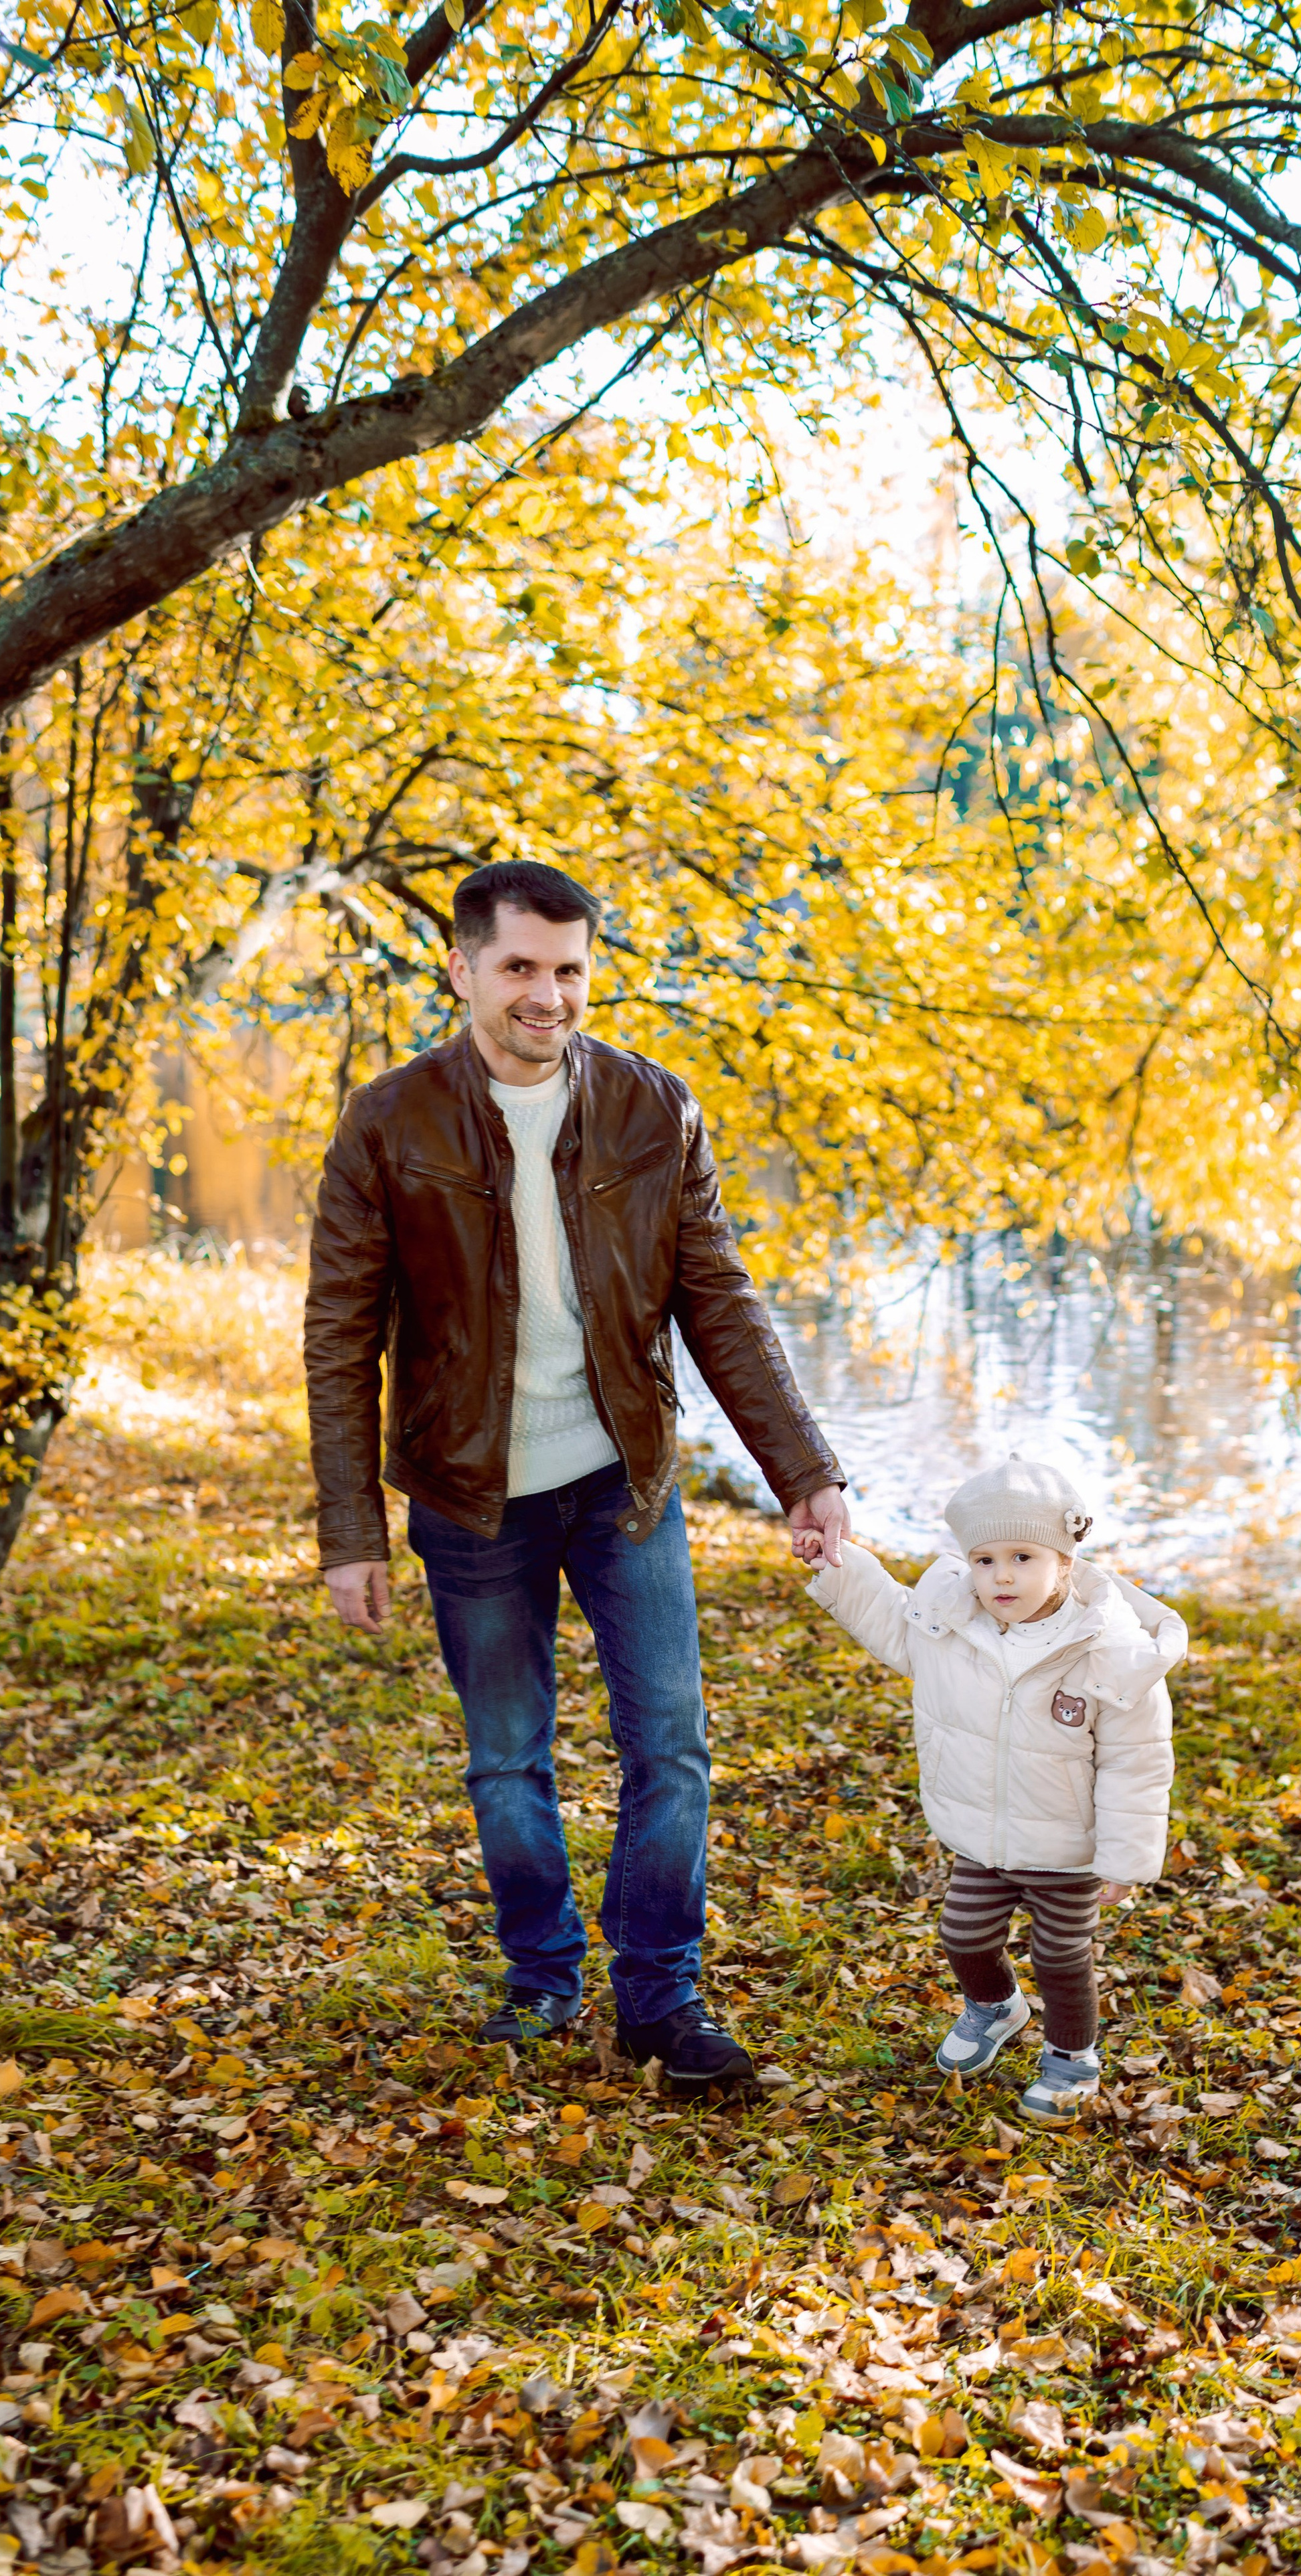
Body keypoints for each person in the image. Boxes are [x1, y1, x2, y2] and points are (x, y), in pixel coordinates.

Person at [304, 858, 851, 2091]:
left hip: (626, 1482)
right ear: (462, 968)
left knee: (673, 1745)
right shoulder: (389, 1122)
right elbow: (339, 1337)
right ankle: (544, 1975)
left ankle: (661, 1997)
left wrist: (803, 1467)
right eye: (519, 968)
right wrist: (351, 1528)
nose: (546, 995)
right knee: (508, 1755)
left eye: (568, 970)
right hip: (468, 1492)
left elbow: (718, 1299)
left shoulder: (655, 1107)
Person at [797, 1456, 1183, 2125]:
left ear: (1063, 1561)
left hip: (1069, 1850)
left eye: (1022, 1556)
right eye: (983, 1560)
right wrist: (835, 1562)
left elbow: (1136, 1761)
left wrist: (1125, 1856)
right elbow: (886, 1615)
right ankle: (996, 2007)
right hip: (982, 1838)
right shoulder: (951, 1626)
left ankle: (1070, 2055)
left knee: (1061, 1955)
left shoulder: (1111, 1650)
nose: (1000, 1576)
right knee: (963, 1935)